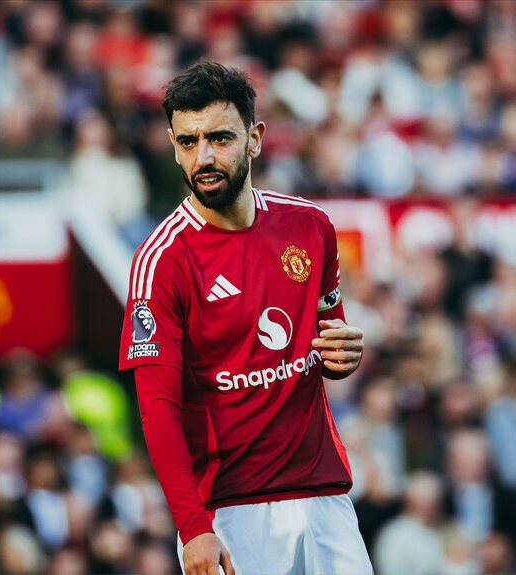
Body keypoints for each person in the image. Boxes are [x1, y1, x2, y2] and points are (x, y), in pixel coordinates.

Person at [118, 60, 372, 575]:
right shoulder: (161, 260)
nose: (203, 156)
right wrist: (193, 528)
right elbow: (157, 408)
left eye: (219, 138)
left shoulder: (311, 228)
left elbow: (330, 337)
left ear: (255, 138)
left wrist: (343, 355)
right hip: (232, 514)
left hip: (324, 494)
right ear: (172, 145)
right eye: (187, 142)